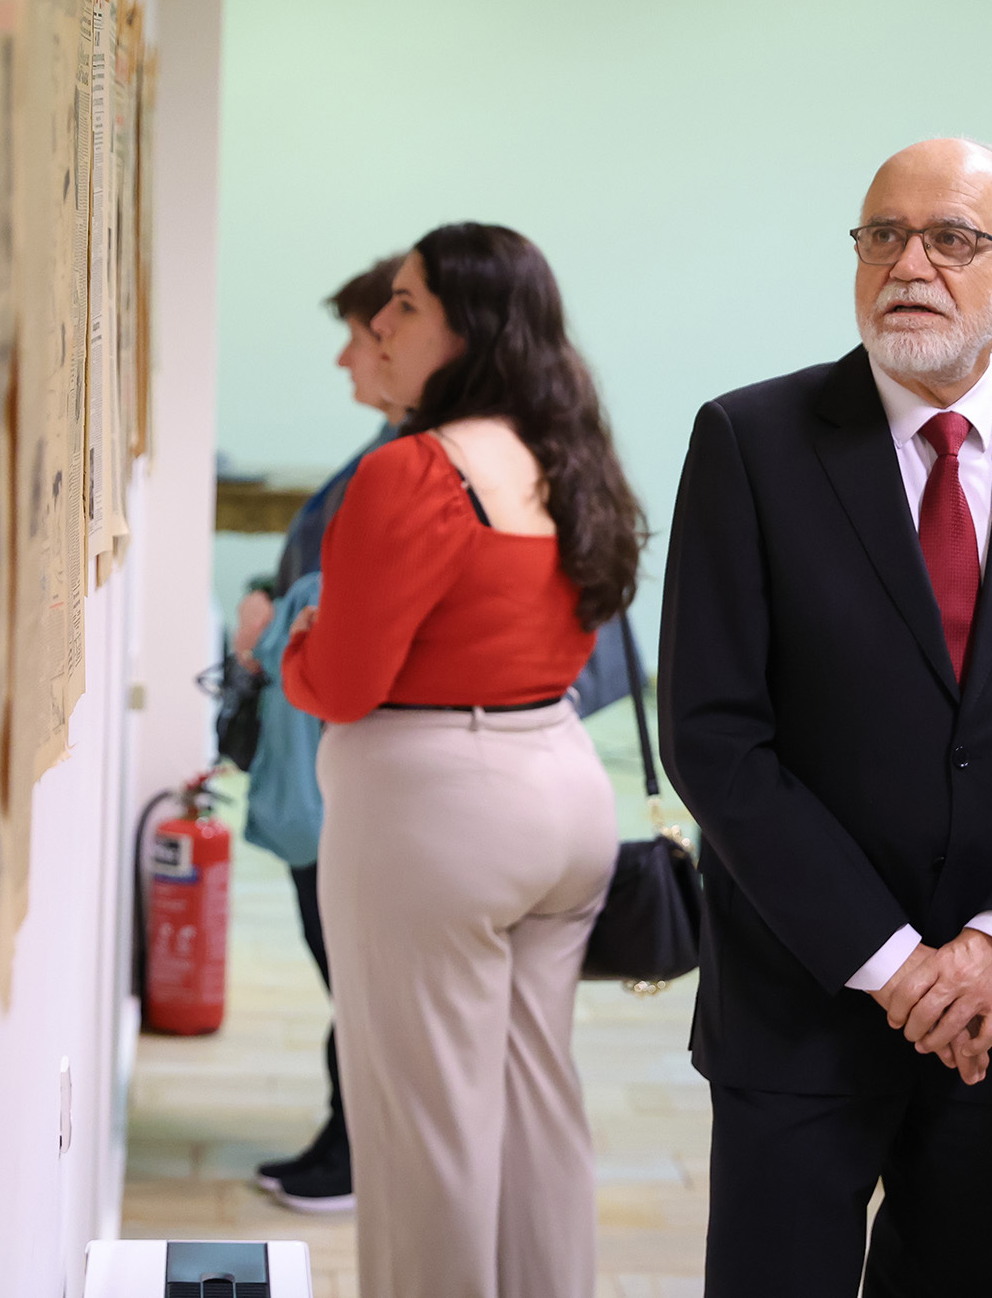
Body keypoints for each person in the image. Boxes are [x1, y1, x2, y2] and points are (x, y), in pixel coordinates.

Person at [659, 138, 992, 1295]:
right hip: (802, 995)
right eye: (883, 236)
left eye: (951, 239)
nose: (909, 265)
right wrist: (893, 963)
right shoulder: (751, 440)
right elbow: (713, 735)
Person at [279, 223, 644, 1298]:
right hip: (565, 795)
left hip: (434, 818)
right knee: (538, 1108)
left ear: (468, 331)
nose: (379, 325)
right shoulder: (568, 459)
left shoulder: (411, 471)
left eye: (404, 304)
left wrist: (296, 641)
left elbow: (340, 683)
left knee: (424, 1128)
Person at [240, 254, 405, 1212]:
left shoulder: (415, 466)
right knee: (347, 961)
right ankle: (351, 1142)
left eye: (363, 335)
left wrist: (284, 622)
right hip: (327, 760)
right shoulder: (388, 454)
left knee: (360, 968)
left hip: (349, 766)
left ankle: (358, 1152)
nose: (347, 358)